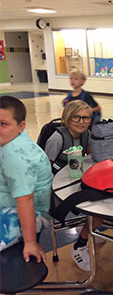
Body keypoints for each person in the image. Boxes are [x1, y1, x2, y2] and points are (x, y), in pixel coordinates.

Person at [44, 100, 102, 271]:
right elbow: (45, 169)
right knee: (99, 207)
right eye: (76, 117)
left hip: (75, 181)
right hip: (58, 189)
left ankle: (89, 228)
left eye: (86, 118)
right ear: (67, 118)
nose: (81, 121)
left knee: (104, 197)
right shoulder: (57, 139)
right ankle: (79, 246)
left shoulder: (86, 134)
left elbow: (92, 156)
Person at [0, 96, 52, 263]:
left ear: (21, 126)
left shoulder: (15, 155)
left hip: (32, 215)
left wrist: (30, 242)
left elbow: (26, 200)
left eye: (3, 124)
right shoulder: (10, 140)